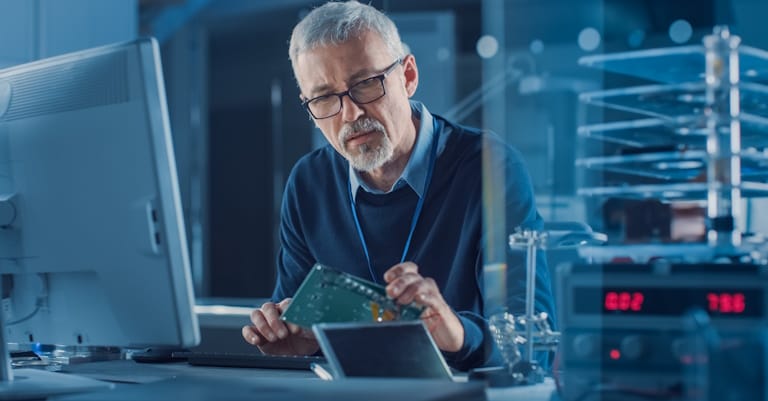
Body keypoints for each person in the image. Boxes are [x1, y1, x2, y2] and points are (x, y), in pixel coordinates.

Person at [241, 0, 555, 371]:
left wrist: (454, 334)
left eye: (366, 84)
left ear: (407, 77)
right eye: (325, 97)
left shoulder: (490, 168)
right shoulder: (309, 184)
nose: (351, 114)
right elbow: (299, 320)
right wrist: (294, 341)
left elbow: (532, 343)